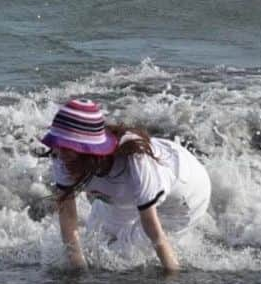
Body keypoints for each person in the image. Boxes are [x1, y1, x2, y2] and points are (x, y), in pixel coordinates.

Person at [40, 98, 211, 273]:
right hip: (127, 192)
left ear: (89, 151)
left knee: (122, 256)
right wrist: (78, 270)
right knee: (96, 243)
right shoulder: (62, 156)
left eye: (68, 147)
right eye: (57, 143)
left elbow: (156, 234)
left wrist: (172, 273)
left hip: (186, 194)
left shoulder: (136, 163)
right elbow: (68, 218)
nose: (59, 153)